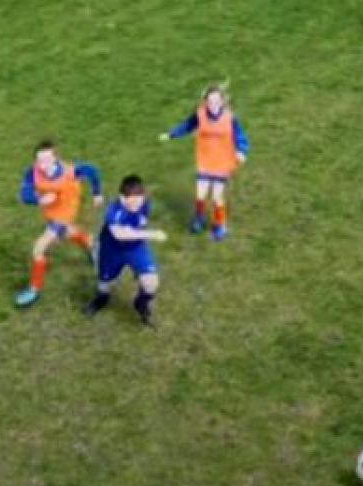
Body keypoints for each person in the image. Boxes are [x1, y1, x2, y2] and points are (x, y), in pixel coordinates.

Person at [14, 141, 103, 308]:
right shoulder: (32, 172)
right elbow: (22, 195)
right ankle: (93, 244)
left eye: (48, 160)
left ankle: (33, 289)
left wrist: (96, 193)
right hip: (50, 212)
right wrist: (39, 199)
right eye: (40, 161)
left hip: (65, 212)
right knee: (68, 233)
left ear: (55, 158)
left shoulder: (71, 171)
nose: (44, 165)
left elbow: (91, 170)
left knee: (38, 248)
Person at [159, 85, 250, 240]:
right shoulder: (200, 115)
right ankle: (199, 218)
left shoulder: (230, 118)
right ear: (205, 101)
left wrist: (241, 150)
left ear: (222, 101)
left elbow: (239, 135)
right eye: (210, 100)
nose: (213, 103)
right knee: (200, 194)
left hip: (222, 160)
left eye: (216, 100)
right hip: (205, 159)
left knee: (216, 196)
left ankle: (219, 225)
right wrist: (171, 134)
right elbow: (187, 125)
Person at [83, 175, 167, 325]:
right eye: (132, 201)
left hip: (135, 248)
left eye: (139, 199)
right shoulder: (113, 210)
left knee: (151, 282)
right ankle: (102, 298)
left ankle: (141, 303)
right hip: (111, 250)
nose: (137, 205)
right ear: (122, 198)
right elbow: (120, 234)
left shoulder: (144, 204)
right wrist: (151, 234)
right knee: (104, 281)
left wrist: (137, 233)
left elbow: (140, 221)